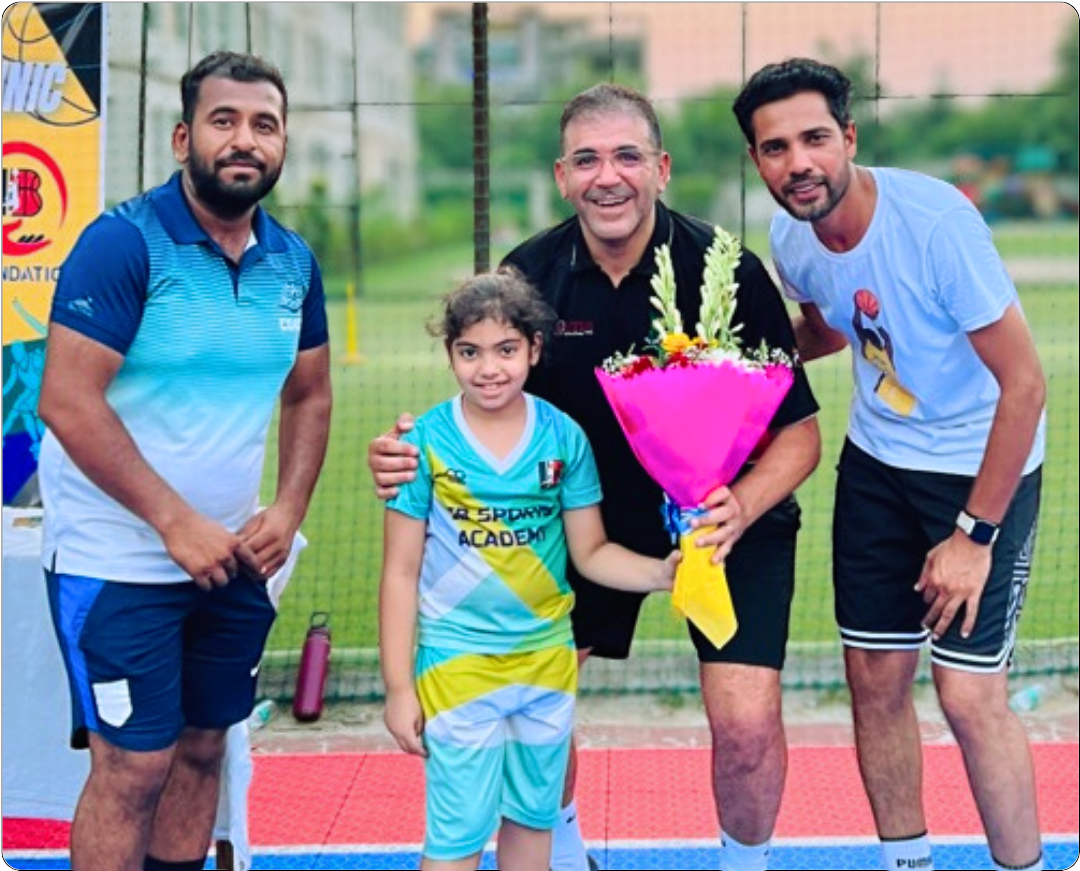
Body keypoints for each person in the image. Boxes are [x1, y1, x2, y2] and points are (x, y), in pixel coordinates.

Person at [370, 83, 821, 871]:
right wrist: (412, 449)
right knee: (536, 702)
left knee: (747, 722)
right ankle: (568, 848)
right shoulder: (529, 273)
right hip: (581, 523)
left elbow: (802, 436)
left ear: (662, 167)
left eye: (626, 156)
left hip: (726, 522)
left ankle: (744, 864)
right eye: (586, 159)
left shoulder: (726, 269)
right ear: (560, 176)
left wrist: (739, 507)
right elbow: (487, 400)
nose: (606, 176)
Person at [733, 58, 1047, 871]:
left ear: (849, 136)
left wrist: (974, 535)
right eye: (774, 148)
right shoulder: (789, 234)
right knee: (874, 681)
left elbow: (1026, 385)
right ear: (758, 161)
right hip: (878, 463)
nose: (797, 163)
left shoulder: (936, 224)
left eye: (813, 139)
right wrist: (733, 369)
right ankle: (907, 863)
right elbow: (832, 332)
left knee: (969, 693)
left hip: (982, 465)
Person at [37, 51, 332, 871]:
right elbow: (66, 400)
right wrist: (172, 521)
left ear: (281, 144)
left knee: (205, 748)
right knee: (133, 766)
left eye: (264, 125)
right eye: (224, 120)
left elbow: (309, 395)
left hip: (230, 559)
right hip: (116, 557)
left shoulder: (293, 262)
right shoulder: (121, 243)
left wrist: (289, 508)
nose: (245, 140)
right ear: (182, 137)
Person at [379, 268, 679, 871]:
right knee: (455, 840)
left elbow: (590, 552)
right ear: (449, 355)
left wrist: (664, 573)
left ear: (535, 350)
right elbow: (399, 572)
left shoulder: (563, 438)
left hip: (546, 660)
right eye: (470, 352)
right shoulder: (426, 444)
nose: (489, 368)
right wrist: (396, 688)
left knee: (531, 828)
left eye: (506, 350)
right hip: (458, 665)